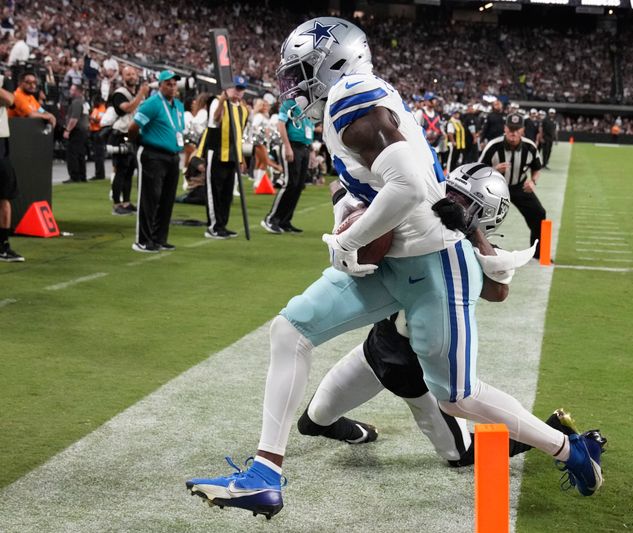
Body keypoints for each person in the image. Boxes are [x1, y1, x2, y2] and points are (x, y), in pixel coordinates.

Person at [186, 17, 603, 520]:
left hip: (432, 264)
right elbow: (368, 183)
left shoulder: (349, 97)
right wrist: (347, 221)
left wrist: (353, 241)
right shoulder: (347, 103)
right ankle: (265, 474)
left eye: (299, 72)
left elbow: (407, 184)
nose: (292, 86)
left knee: (459, 398)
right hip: (391, 262)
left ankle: (568, 449)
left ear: (332, 62)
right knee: (290, 329)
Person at [298, 164, 538, 465]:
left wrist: (471, 232)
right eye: (448, 192)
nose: (448, 201)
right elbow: (342, 189)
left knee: (460, 455)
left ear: (485, 214)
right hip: (377, 351)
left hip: (423, 374)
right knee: (311, 423)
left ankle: (543, 435)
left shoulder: (470, 255)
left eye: (461, 200)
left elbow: (498, 292)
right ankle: (360, 432)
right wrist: (351, 203)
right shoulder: (413, 226)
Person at [128, 70, 184, 253]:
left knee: (167, 200)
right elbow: (133, 127)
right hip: (153, 155)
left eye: (174, 84)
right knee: (150, 198)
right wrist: (136, 144)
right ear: (160, 85)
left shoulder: (178, 105)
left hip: (173, 156)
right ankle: (143, 240)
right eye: (168, 83)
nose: (172, 86)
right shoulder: (152, 103)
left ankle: (159, 238)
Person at [479, 113, 546, 256]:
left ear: (522, 130)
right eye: (510, 128)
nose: (513, 133)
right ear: (505, 128)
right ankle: (477, 249)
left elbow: (537, 167)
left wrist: (533, 181)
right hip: (495, 189)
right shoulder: (493, 146)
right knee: (477, 216)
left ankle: (539, 252)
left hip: (520, 187)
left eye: (517, 129)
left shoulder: (530, 147)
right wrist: (494, 170)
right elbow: (478, 170)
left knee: (539, 213)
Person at [195, 76, 249, 239]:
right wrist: (222, 102)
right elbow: (215, 122)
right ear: (227, 88)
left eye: (240, 89)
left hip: (232, 155)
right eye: (235, 88)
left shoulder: (244, 109)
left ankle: (222, 225)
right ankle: (213, 226)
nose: (237, 92)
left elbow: (239, 134)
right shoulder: (217, 102)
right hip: (217, 152)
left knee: (227, 193)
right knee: (214, 191)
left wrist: (241, 158)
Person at [261, 91, 313, 234]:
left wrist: (311, 150)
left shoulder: (308, 107)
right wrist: (287, 146)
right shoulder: (289, 104)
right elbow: (281, 124)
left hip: (304, 147)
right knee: (290, 183)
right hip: (292, 145)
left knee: (298, 186)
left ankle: (285, 220)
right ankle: (271, 218)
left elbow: (309, 128)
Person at [109, 66, 149, 216]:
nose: (131, 76)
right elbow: (128, 108)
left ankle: (126, 201)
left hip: (134, 134)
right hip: (121, 134)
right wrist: (141, 95)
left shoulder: (137, 94)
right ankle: (116, 204)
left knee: (130, 169)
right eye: (128, 74)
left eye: (133, 73)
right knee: (120, 170)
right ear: (123, 77)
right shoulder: (120, 93)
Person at [0, 75, 23, 262]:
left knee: (4, 195)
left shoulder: (4, 79)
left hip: (0, 142)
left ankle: (3, 245)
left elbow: (9, 99)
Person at [63, 84, 89, 184]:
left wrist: (68, 130)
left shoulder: (77, 102)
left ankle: (74, 176)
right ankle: (82, 176)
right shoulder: (84, 102)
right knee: (81, 154)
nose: (70, 92)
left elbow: (74, 118)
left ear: (77, 91)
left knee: (72, 154)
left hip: (76, 131)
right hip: (84, 131)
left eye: (72, 90)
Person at [88, 95, 106, 181]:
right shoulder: (95, 109)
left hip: (99, 132)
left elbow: (100, 121)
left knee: (99, 154)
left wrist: (91, 119)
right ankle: (98, 173)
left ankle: (100, 174)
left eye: (95, 101)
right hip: (93, 132)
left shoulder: (102, 108)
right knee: (96, 154)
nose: (94, 103)